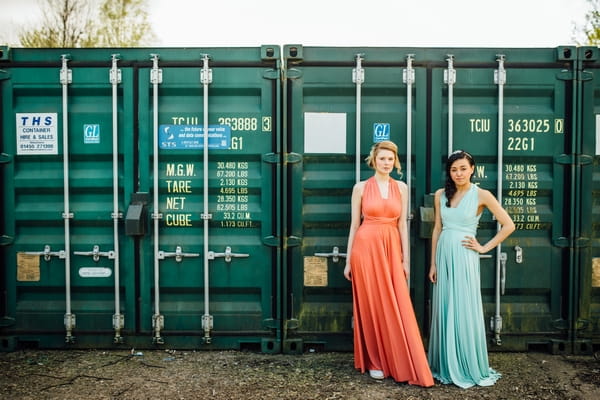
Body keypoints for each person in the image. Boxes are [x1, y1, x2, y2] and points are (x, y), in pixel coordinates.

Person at [343, 140, 434, 387]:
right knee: (371, 304)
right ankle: (375, 362)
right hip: (365, 248)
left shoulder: (402, 188)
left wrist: (405, 259)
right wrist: (349, 260)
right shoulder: (360, 188)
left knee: (396, 304)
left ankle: (398, 358)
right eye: (382, 159)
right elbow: (354, 224)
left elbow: (402, 225)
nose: (387, 163)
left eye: (391, 159)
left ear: (396, 161)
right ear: (374, 160)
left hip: (391, 248)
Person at [427, 150, 515, 389]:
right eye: (454, 169)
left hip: (465, 256)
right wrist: (433, 262)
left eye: (463, 168)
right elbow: (437, 228)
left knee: (463, 306)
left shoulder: (482, 194)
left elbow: (508, 225)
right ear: (449, 172)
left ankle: (466, 364)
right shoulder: (440, 194)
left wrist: (484, 247)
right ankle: (445, 362)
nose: (458, 173)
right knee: (446, 306)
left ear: (472, 169)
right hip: (444, 255)